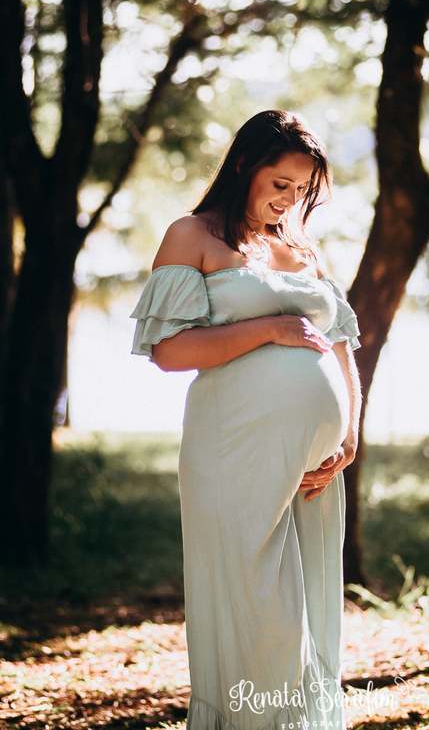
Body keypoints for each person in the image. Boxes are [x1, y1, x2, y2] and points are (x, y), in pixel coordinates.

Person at [130, 109, 361, 730]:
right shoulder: (194, 236)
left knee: (310, 610)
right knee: (264, 616)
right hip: (232, 454)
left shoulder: (301, 246)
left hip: (312, 469)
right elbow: (169, 351)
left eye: (302, 190)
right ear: (243, 166)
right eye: (279, 184)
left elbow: (340, 343)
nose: (289, 200)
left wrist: (348, 439)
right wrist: (270, 330)